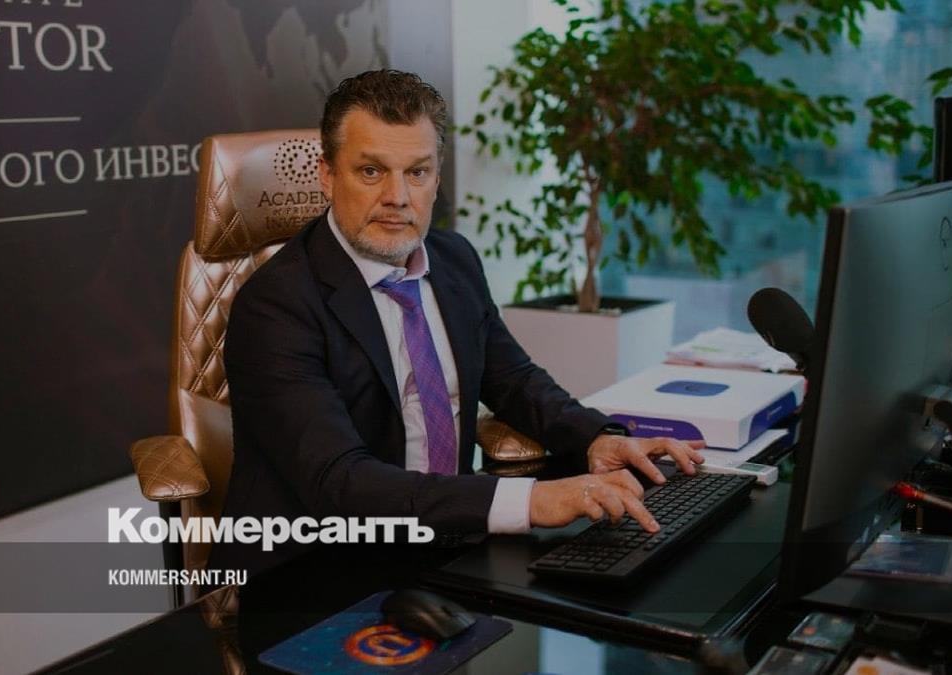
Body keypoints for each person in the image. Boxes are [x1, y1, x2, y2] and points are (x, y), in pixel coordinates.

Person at [210, 70, 703, 576]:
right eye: (371, 171)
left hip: (448, 545)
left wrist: (597, 438)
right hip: (319, 570)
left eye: (417, 172)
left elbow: (514, 380)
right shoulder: (276, 306)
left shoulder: (454, 261)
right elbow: (340, 482)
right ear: (328, 175)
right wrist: (532, 500)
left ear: (437, 178)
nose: (398, 196)